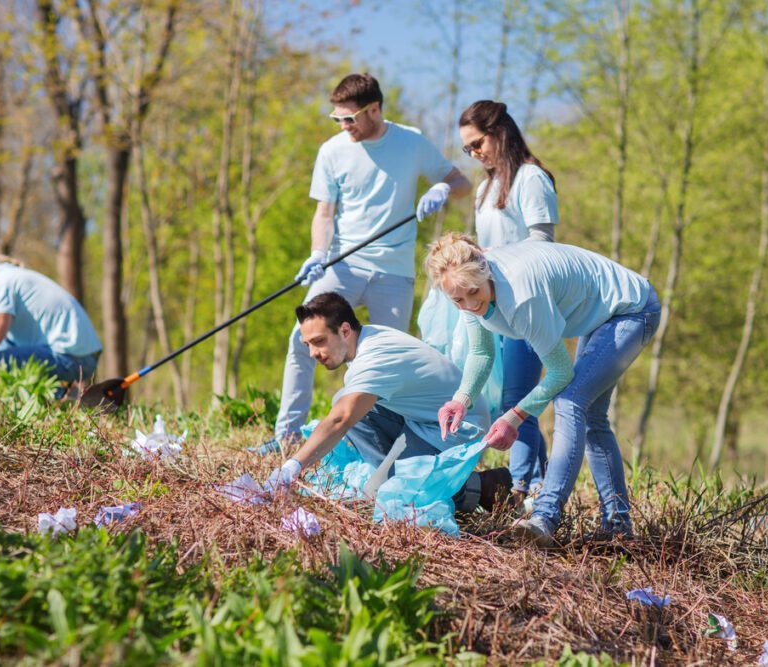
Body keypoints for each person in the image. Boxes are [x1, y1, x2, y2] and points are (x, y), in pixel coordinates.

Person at [425, 233, 662, 545]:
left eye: (473, 293)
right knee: (591, 416)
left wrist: (514, 417)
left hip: (632, 308)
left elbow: (560, 372)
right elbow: (481, 354)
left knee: (570, 401)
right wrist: (461, 399)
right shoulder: (467, 288)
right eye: (458, 300)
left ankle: (545, 516)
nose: (470, 305)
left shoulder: (523, 297)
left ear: (485, 270)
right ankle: (617, 528)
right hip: (599, 315)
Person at [273, 73, 471, 444]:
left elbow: (462, 182)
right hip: (343, 265)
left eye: (350, 118)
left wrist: (444, 187)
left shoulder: (411, 142)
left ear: (375, 110)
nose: (344, 126)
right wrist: (319, 252)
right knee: (300, 341)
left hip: (394, 272)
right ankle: (286, 436)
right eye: (338, 120)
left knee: (392, 362)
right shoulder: (332, 151)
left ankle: (398, 440)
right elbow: (325, 213)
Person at [264, 292, 512, 513]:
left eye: (319, 341)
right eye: (308, 345)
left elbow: (341, 418)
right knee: (344, 398)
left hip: (457, 427)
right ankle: (399, 476)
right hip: (424, 420)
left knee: (388, 494)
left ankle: (480, 486)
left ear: (345, 330)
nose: (312, 353)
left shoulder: (375, 356)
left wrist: (293, 466)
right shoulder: (367, 340)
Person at [458, 100, 557, 503]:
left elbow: (543, 244)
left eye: (477, 143)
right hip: (493, 304)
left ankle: (519, 489)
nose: (474, 154)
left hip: (526, 301)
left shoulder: (531, 179)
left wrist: (499, 262)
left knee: (517, 399)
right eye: (466, 150)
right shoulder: (484, 188)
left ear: (500, 131)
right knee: (507, 398)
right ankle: (539, 479)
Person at [0, 242, 103, 383]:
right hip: (82, 355)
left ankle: (45, 402)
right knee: (2, 350)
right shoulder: (10, 275)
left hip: (71, 358)